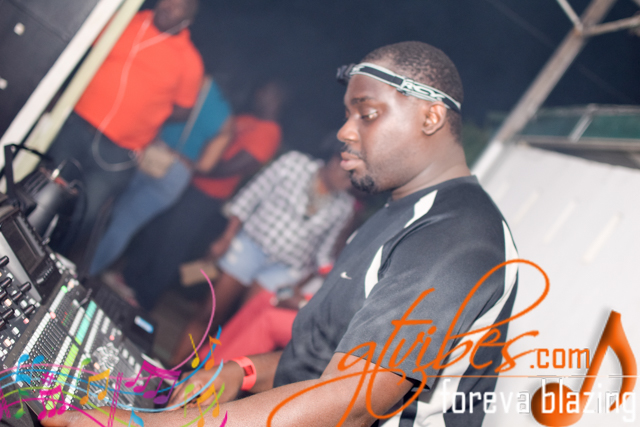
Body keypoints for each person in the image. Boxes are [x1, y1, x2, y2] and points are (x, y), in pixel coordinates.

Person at [42, 41, 518, 427]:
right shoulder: (396, 213)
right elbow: (317, 360)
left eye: (367, 114)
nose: (344, 132)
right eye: (348, 114)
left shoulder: (457, 234)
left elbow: (350, 403)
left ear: (431, 117)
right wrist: (242, 370)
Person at [171, 146, 356, 365]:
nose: (349, 184)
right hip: (250, 246)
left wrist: (321, 279)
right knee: (210, 312)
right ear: (335, 160)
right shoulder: (293, 163)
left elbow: (322, 253)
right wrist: (226, 237)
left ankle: (203, 377)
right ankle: (174, 367)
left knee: (244, 327)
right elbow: (250, 197)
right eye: (347, 175)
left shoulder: (344, 206)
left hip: (284, 271)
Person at [46, 0, 203, 253]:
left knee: (84, 212)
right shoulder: (125, 21)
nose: (168, 7)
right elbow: (81, 49)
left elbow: (184, 110)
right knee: (46, 189)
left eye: (179, 7)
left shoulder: (190, 61)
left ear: (188, 20)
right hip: (77, 126)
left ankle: (49, 259)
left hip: (119, 153)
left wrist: (148, 113)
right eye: (168, 0)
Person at [120, 82, 286, 310]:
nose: (258, 93)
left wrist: (193, 165)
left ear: (277, 98)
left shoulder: (269, 132)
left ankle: (144, 299)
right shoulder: (247, 119)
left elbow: (237, 166)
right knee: (158, 231)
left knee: (172, 244)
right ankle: (129, 281)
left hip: (207, 195)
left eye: (265, 91)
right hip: (191, 183)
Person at [88, 76, 232, 276]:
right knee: (124, 225)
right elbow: (206, 165)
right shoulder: (226, 118)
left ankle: (70, 256)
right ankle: (87, 272)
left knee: (105, 208)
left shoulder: (192, 83)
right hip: (177, 173)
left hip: (149, 153)